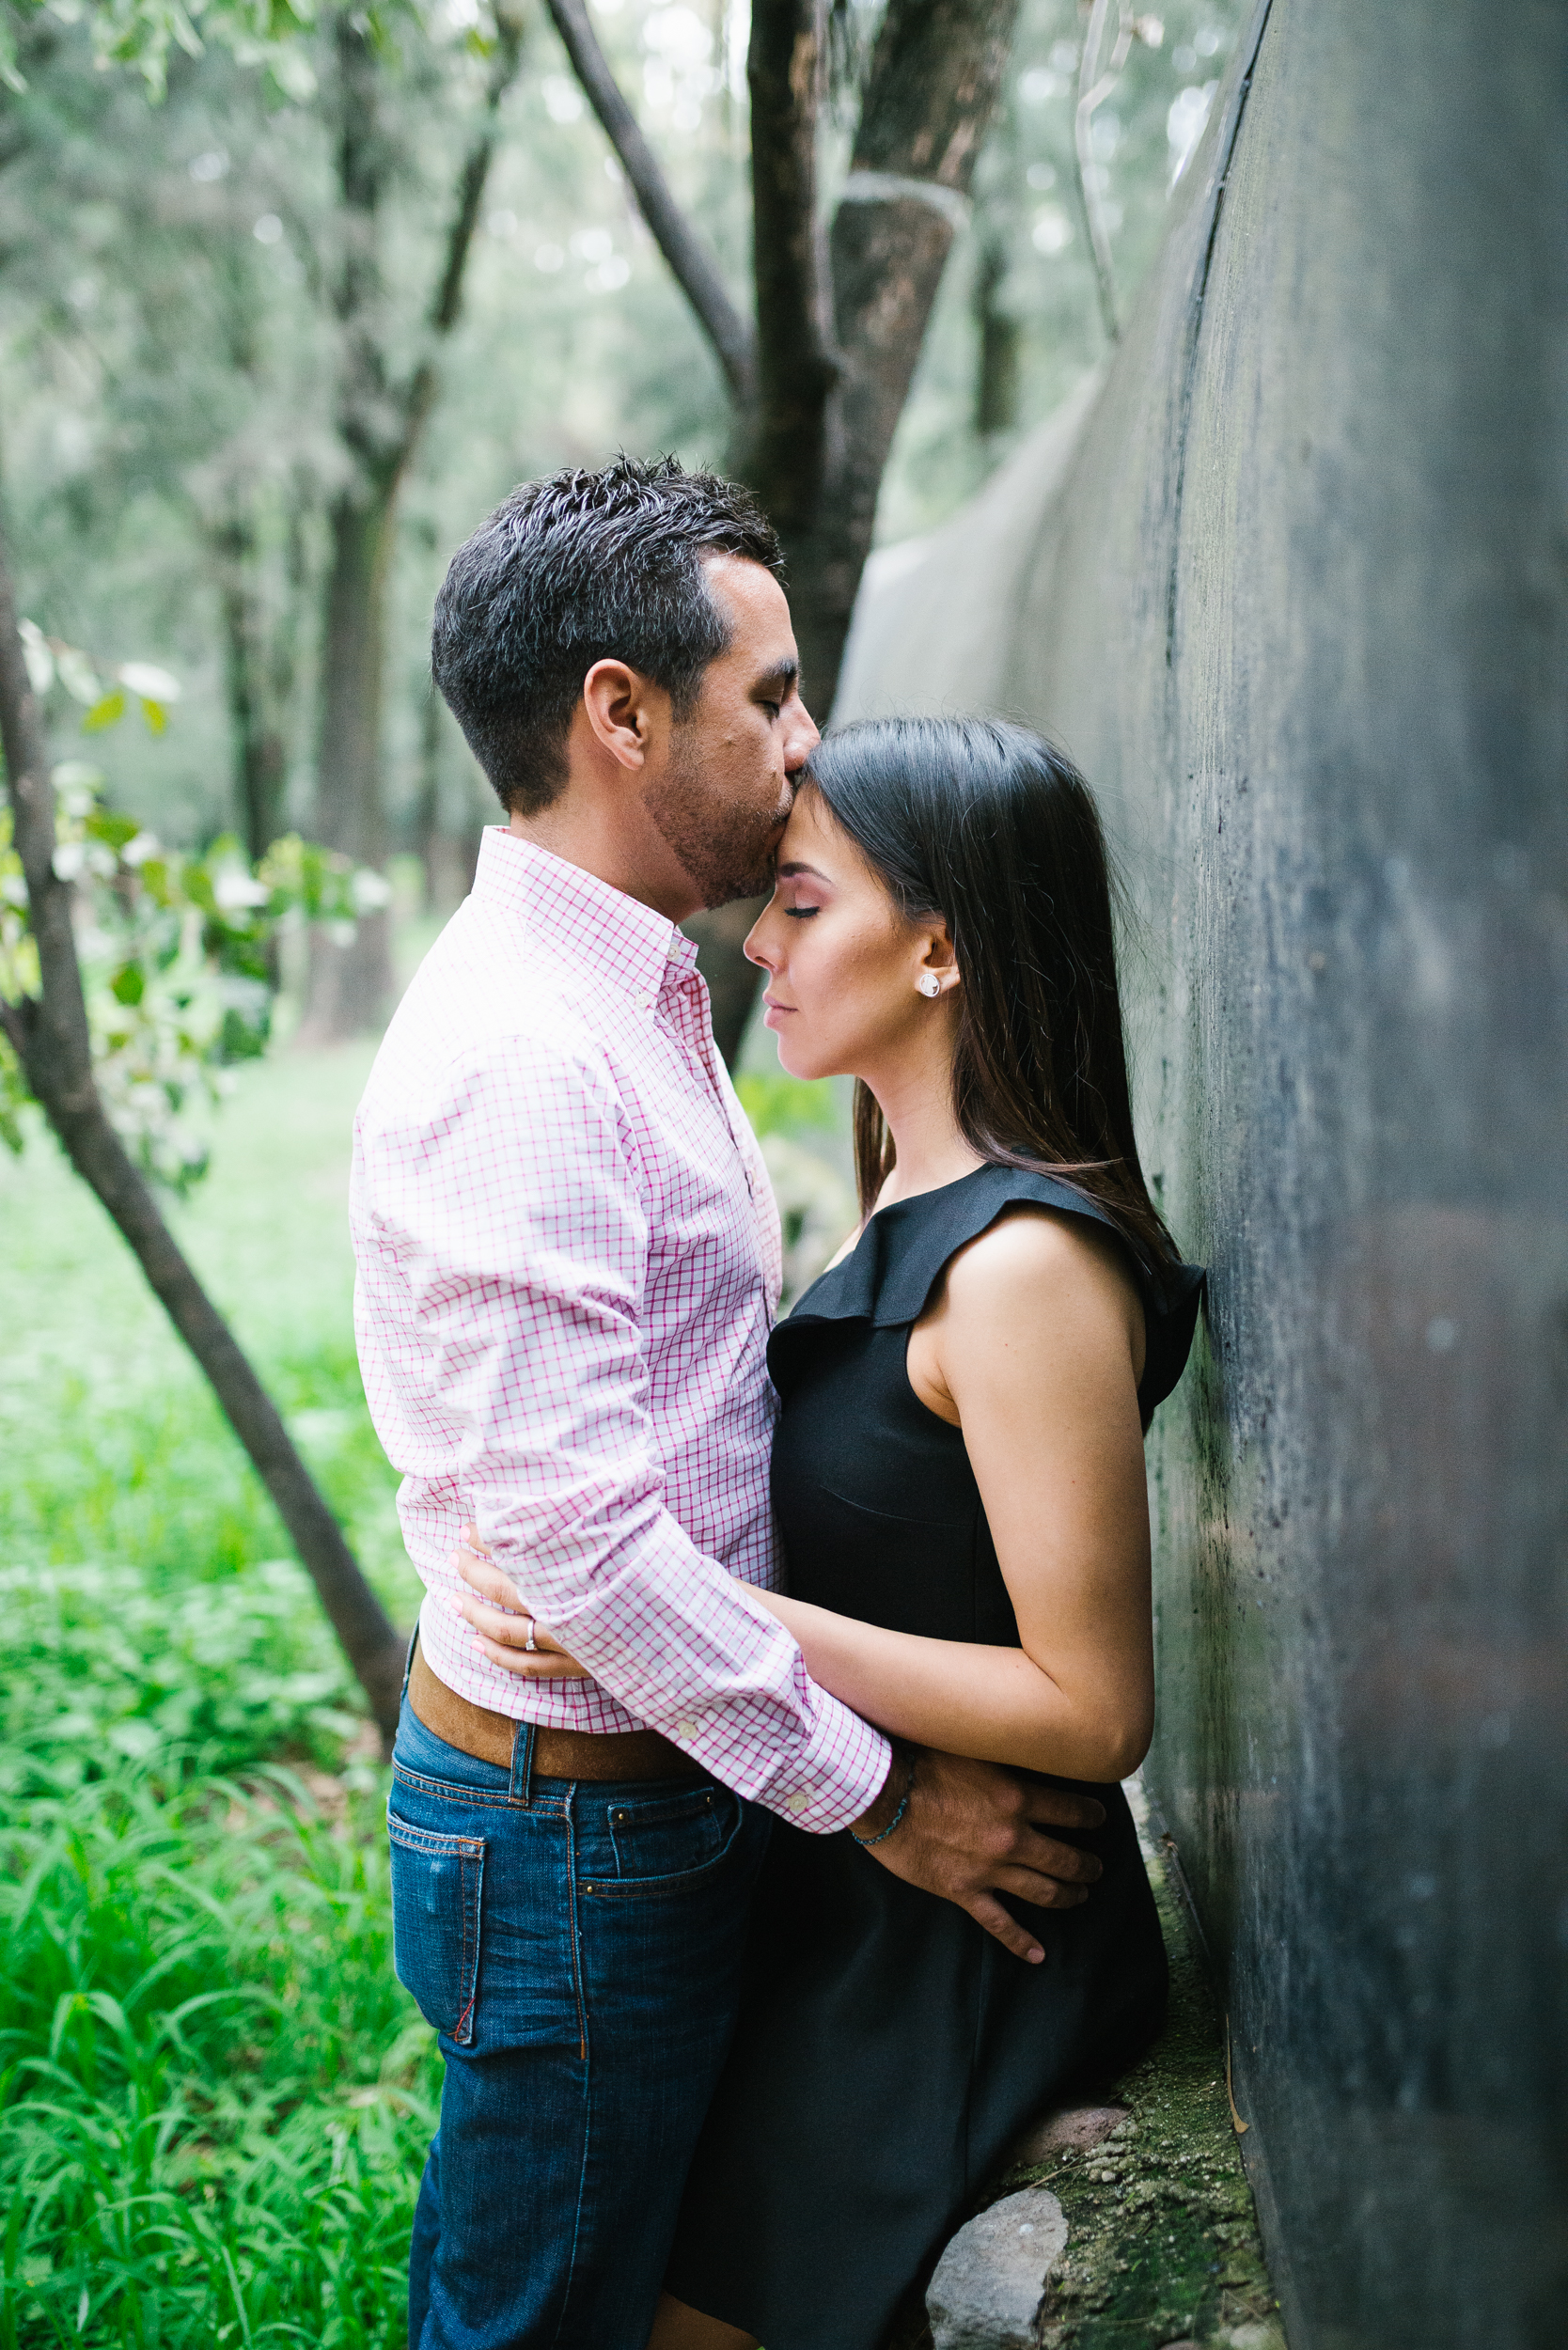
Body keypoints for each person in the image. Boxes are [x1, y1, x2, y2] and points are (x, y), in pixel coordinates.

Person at [351, 465, 1110, 2350]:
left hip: (642, 1799)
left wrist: (486, 1523)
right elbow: (589, 1541)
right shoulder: (529, 1052)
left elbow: (523, 1430)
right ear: (623, 713)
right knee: (537, 2321)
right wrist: (886, 1794)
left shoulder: (619, 995)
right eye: (767, 692)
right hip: (577, 1835)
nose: (804, 733)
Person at [451, 714, 1205, 2350]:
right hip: (848, 1898)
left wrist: (681, 1605)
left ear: (937, 948)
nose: (757, 938)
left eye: (804, 904)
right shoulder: (895, 1185)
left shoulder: (1018, 1269)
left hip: (959, 1948)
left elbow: (1096, 1709)